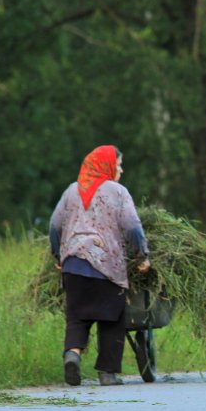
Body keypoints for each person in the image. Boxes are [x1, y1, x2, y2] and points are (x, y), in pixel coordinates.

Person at [49, 145, 151, 387]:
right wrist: (142, 256)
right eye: (118, 165)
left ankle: (72, 355)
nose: (121, 170)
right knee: (112, 318)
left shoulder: (72, 190)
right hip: (106, 264)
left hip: (72, 265)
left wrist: (57, 257)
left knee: (76, 317)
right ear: (106, 166)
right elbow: (132, 227)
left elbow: (54, 225)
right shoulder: (117, 192)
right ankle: (107, 373)